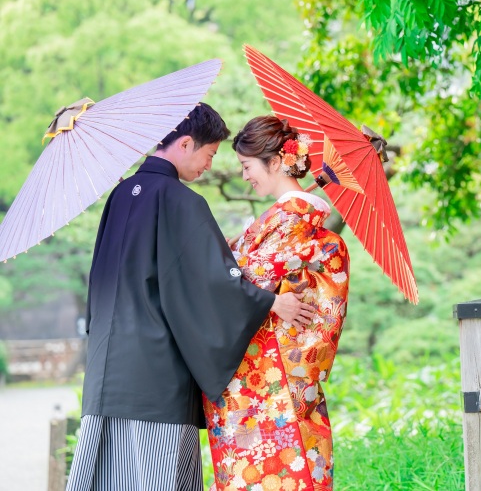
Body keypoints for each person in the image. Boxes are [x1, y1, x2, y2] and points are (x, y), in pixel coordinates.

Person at [66, 103, 315, 491]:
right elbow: (212, 281)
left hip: (104, 370)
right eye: (209, 154)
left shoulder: (119, 196)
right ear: (185, 143)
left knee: (107, 479)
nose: (208, 167)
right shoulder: (182, 202)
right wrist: (270, 302)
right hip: (156, 375)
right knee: (157, 479)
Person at [203, 116, 350, 491]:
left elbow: (235, 276)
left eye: (246, 166)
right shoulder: (293, 216)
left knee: (270, 475)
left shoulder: (291, 218)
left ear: (274, 162)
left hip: (267, 384)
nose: (244, 175)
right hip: (283, 381)